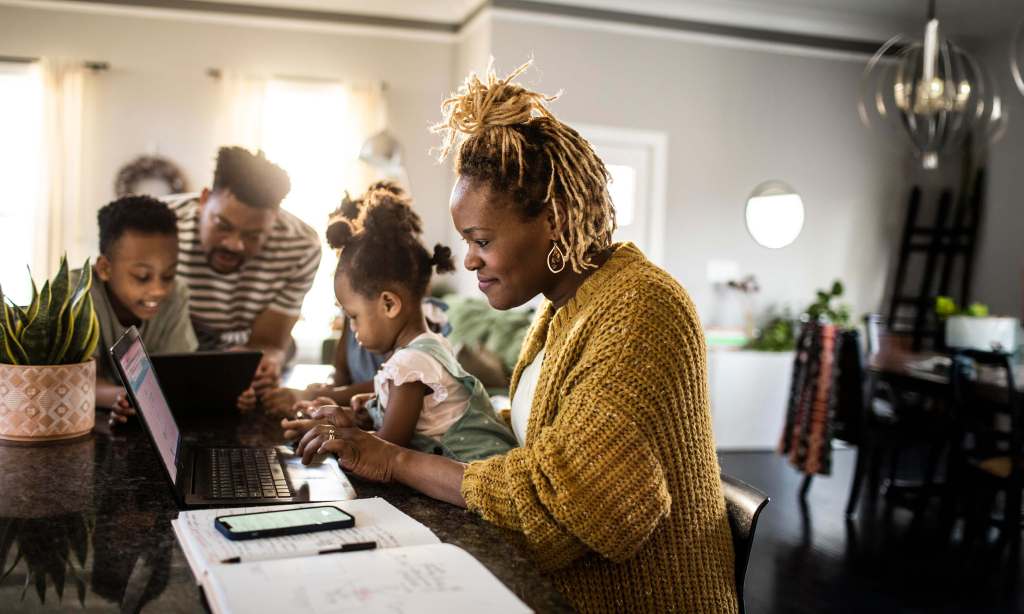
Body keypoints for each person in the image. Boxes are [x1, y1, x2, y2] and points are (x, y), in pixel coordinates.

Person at [283, 62, 738, 612]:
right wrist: (393, 417)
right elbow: (544, 437)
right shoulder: (563, 308)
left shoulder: (641, 307)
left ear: (554, 219)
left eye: (480, 238)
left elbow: (584, 506)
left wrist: (395, 461)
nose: (469, 258)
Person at [291, 181, 515, 461]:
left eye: (354, 317)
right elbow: (411, 426)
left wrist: (333, 432)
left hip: (478, 480)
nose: (352, 329)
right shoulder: (427, 348)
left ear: (389, 304)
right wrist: (363, 413)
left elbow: (386, 450)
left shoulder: (411, 364)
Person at [165, 146, 321, 411]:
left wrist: (264, 361)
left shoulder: (301, 245)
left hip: (242, 356)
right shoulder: (161, 225)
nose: (235, 245)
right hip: (170, 349)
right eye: (223, 226)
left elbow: (270, 342)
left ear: (274, 220)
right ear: (204, 200)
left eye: (253, 236)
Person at [84, 196, 198, 424]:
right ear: (105, 268)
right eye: (142, 276)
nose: (158, 290)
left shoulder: (176, 294)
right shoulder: (80, 296)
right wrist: (125, 397)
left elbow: (179, 375)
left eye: (168, 275)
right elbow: (80, 382)